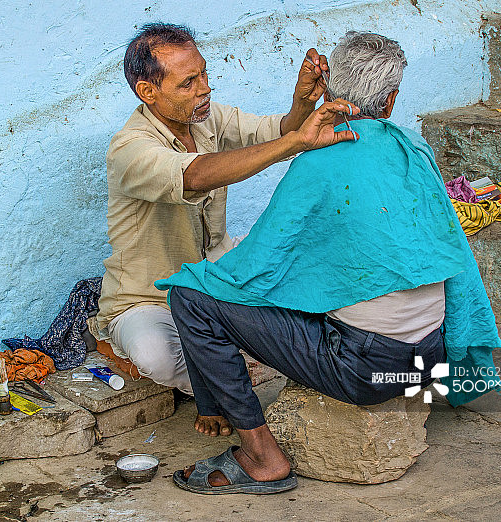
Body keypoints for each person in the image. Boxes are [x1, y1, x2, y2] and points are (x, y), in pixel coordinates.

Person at [156, 31, 501, 494]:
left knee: (191, 295)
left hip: (364, 368)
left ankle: (260, 456)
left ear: (331, 91)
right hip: (430, 355)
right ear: (393, 99)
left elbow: (258, 265)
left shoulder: (319, 158)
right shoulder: (413, 149)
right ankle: (215, 407)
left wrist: (205, 282)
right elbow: (448, 247)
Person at [91, 23, 359, 437]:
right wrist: (296, 143)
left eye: (204, 74)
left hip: (216, 275)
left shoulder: (206, 117)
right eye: (188, 83)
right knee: (157, 356)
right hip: (148, 296)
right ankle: (126, 344)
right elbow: (196, 176)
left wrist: (302, 103)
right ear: (148, 92)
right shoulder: (130, 149)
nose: (204, 89)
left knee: (303, 274)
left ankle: (215, 366)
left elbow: (278, 131)